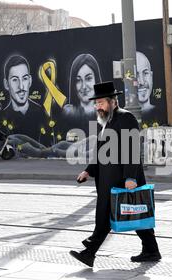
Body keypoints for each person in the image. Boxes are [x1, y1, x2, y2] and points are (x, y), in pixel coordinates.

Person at [69, 81, 161, 267]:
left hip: (121, 178)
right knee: (134, 213)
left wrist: (130, 177)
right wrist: (89, 170)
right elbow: (101, 150)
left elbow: (132, 149)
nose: (98, 106)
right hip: (107, 178)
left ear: (113, 101)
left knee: (111, 213)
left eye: (101, 102)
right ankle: (151, 250)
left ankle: (90, 251)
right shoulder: (107, 120)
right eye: (96, 103)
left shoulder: (126, 118)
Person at [1, 55, 50, 146]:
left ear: (30, 81)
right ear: (6, 84)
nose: (21, 87)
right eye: (15, 80)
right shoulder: (3, 117)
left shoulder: (41, 113)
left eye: (24, 79)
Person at [62, 53, 102, 135]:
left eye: (88, 79)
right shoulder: (68, 114)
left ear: (96, 79)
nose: (84, 86)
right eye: (78, 80)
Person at [136, 51, 155, 117]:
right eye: (136, 75)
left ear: (151, 76)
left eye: (145, 73)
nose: (141, 82)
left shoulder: (159, 112)